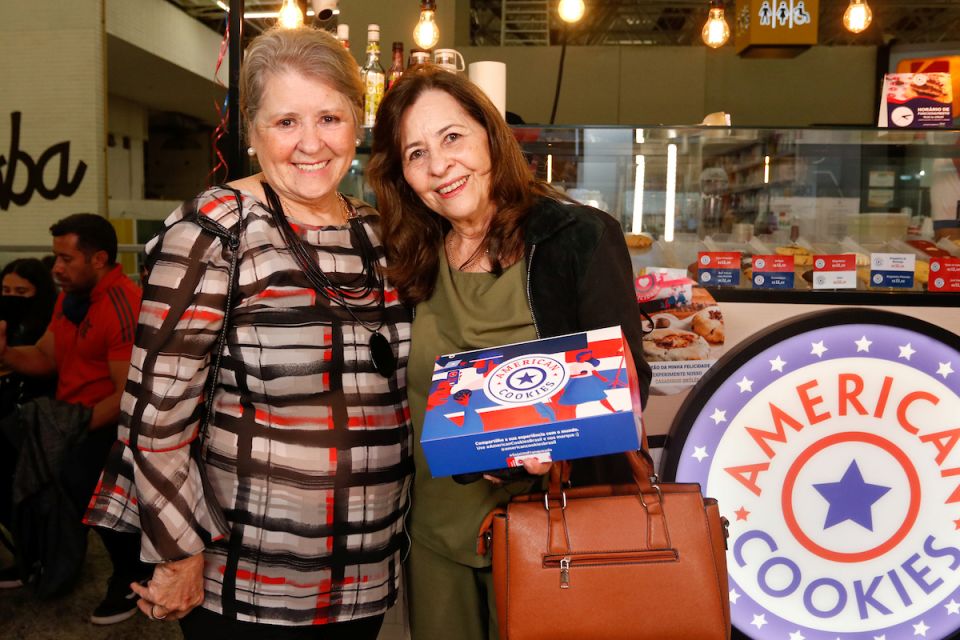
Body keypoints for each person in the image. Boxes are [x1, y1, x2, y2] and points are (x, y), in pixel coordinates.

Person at [84, 26, 412, 639]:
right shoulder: (215, 232)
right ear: (253, 132)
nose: (311, 143)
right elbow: (154, 417)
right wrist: (178, 552)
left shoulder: (377, 231)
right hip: (249, 584)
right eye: (286, 121)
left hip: (365, 573)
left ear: (356, 121)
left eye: (329, 118)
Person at [367, 65, 652, 640]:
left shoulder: (576, 236)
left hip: (552, 531)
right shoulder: (410, 255)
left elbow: (627, 379)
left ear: (489, 135)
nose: (440, 165)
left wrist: (552, 437)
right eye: (415, 153)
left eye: (452, 138)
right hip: (438, 535)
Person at [0, 215, 151, 622]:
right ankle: (41, 554)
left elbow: (126, 395)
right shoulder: (70, 301)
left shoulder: (121, 305)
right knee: (8, 459)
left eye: (66, 259)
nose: (56, 270)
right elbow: (47, 358)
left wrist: (71, 433)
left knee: (79, 475)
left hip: (111, 423)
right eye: (56, 258)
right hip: (73, 415)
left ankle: (132, 577)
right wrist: (6, 354)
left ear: (99, 258)